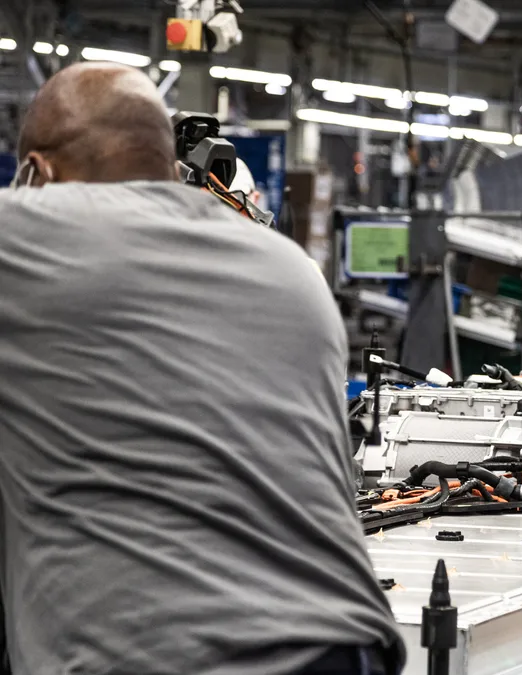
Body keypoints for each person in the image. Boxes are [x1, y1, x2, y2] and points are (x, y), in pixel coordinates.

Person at [0, 63, 402, 674]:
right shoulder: (288, 267)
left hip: (151, 656)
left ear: (36, 171)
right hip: (339, 645)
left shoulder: (22, 234)